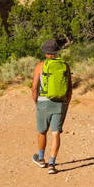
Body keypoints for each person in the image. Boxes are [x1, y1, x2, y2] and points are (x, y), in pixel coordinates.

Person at [31, 38, 72, 174]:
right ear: (56, 52)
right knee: (55, 133)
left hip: (43, 101)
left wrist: (37, 102)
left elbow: (34, 88)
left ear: (45, 52)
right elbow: (70, 88)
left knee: (42, 131)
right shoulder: (65, 65)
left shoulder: (39, 66)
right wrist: (66, 102)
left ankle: (41, 159)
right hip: (60, 102)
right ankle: (52, 164)